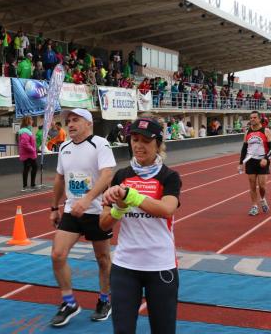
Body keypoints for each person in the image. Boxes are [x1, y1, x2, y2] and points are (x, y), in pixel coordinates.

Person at [100, 117, 182, 334]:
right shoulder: (121, 175)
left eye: (145, 141)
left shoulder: (169, 177)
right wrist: (119, 208)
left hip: (160, 266)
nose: (138, 145)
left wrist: (132, 197)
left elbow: (166, 209)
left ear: (158, 144)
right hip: (125, 267)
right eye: (134, 139)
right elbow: (104, 223)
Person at [49, 108, 116, 327]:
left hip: (96, 211)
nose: (70, 124)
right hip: (71, 210)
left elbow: (108, 174)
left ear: (88, 123)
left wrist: (87, 199)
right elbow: (60, 178)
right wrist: (54, 207)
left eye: (75, 120)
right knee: (58, 255)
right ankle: (69, 302)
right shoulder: (64, 147)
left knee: (103, 259)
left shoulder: (100, 144)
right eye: (68, 121)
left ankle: (105, 300)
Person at [239, 111, 271, 216]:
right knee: (252, 186)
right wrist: (241, 163)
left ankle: (263, 199)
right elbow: (244, 149)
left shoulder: (266, 131)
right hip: (250, 161)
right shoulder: (247, 132)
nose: (252, 119)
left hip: (262, 161)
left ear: (259, 119)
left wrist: (266, 158)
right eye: (251, 118)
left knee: (262, 186)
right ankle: (254, 206)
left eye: (254, 117)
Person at [18, 116, 38, 191]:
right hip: (28, 153)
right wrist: (33, 149)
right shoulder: (25, 131)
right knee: (32, 167)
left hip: (28, 153)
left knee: (28, 168)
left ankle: (28, 185)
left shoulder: (26, 130)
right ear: (28, 121)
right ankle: (28, 185)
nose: (32, 121)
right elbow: (24, 143)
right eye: (31, 120)